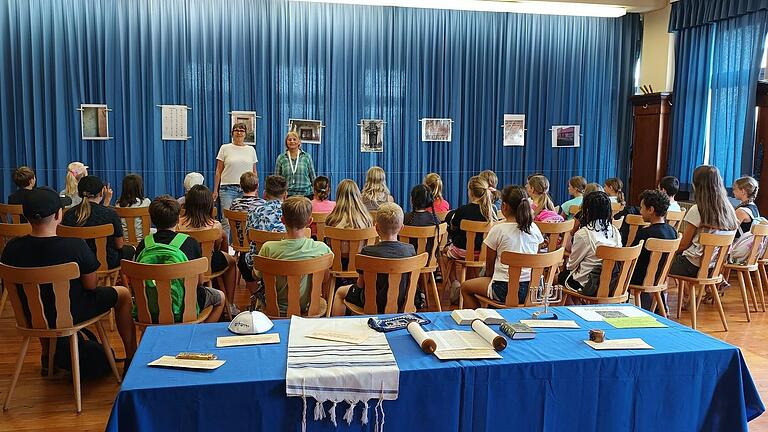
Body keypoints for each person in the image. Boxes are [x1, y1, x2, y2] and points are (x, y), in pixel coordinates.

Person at [1, 187, 136, 373]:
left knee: (40, 303)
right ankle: (131, 358)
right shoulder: (74, 246)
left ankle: (47, 356)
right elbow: (90, 285)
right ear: (58, 214)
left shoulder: (11, 249)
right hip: (71, 313)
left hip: (31, 316)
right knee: (123, 294)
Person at [133, 195, 224, 323]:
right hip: (183, 310)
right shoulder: (190, 243)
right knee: (220, 297)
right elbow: (199, 282)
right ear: (177, 219)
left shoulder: (143, 244)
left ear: (152, 219)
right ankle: (196, 334)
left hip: (148, 311)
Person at [460, 185, 544, 308]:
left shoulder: (498, 229)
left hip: (505, 289)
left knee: (466, 287)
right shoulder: (534, 228)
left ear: (504, 206)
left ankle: (479, 320)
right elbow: (537, 253)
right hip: (535, 289)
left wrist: (489, 278)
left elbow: (489, 266)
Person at [332, 203, 416, 315]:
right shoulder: (410, 250)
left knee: (339, 293)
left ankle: (338, 329)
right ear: (401, 228)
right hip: (401, 303)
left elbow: (360, 284)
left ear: (376, 228)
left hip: (371, 303)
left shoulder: (367, 252)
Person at [253, 196, 332, 315]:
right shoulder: (322, 249)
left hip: (274, 310)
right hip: (308, 309)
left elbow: (256, 275)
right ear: (310, 221)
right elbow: (325, 279)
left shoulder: (268, 248)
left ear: (282, 220)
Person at [177, 185, 238, 316]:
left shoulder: (178, 224)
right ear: (209, 205)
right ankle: (231, 304)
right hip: (208, 266)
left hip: (184, 266)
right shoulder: (215, 226)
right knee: (231, 262)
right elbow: (220, 248)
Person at [669, 165, 738, 279]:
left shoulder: (698, 209)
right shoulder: (729, 210)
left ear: (696, 185)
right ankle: (688, 294)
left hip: (691, 265)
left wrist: (666, 250)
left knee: (656, 262)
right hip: (713, 266)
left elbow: (683, 245)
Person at [443, 176, 498, 302]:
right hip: (483, 253)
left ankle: (455, 284)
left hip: (462, 251)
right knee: (473, 257)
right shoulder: (491, 210)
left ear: (470, 191)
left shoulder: (462, 210)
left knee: (446, 253)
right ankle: (473, 284)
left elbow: (453, 228)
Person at [61, 176, 133, 269]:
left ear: (79, 193)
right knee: (130, 250)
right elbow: (119, 245)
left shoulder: (68, 215)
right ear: (101, 192)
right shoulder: (111, 214)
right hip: (106, 262)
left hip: (77, 264)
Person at [558, 191, 622, 296]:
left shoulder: (584, 234)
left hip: (589, 285)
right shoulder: (615, 231)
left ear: (586, 210)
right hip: (613, 285)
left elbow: (571, 265)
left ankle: (572, 309)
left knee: (557, 278)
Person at [238, 175, 289, 294]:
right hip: (287, 260)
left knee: (242, 260)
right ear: (285, 195)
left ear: (265, 194)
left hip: (259, 263)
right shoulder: (291, 212)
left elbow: (249, 238)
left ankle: (256, 295)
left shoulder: (254, 211)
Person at [629, 190, 678, 311]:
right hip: (659, 279)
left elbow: (632, 257)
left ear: (650, 210)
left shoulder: (645, 233)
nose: (640, 212)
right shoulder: (673, 232)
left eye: (641, 208)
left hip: (640, 278)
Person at [212, 123, 258, 240]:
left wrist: (255, 189)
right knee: (226, 221)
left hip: (247, 190)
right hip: (227, 189)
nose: (239, 133)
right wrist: (215, 190)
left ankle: (242, 250)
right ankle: (225, 250)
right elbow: (218, 170)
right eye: (236, 130)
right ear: (232, 133)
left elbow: (254, 172)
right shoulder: (224, 148)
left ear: (245, 134)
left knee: (246, 220)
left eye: (242, 130)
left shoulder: (251, 150)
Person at [275, 131, 316, 197]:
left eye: (294, 139)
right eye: (289, 139)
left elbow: (313, 176)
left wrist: (315, 193)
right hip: (288, 195)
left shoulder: (306, 156)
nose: (292, 141)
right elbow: (277, 179)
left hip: (306, 195)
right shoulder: (281, 158)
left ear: (299, 142)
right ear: (286, 142)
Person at [115, 174, 151, 242]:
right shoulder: (146, 202)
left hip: (124, 242)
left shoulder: (118, 204)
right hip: (144, 241)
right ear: (140, 187)